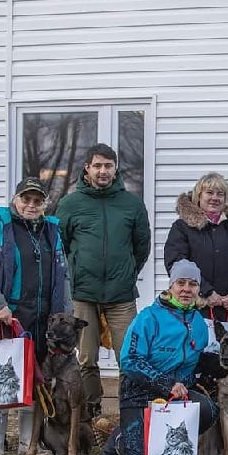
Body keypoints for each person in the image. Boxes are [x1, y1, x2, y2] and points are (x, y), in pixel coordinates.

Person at [0, 179, 72, 455]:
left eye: (38, 200)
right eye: (26, 199)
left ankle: (29, 444)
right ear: (15, 199)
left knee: (33, 383)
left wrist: (65, 315)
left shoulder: (52, 231)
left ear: (44, 204)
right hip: (5, 317)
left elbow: (63, 275)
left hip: (41, 321)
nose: (31, 205)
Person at [57, 143, 152, 420]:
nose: (102, 171)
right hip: (82, 293)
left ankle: (129, 414)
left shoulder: (132, 204)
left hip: (121, 294)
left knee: (129, 357)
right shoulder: (70, 203)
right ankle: (92, 413)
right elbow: (60, 246)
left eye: (108, 166)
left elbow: (141, 247)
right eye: (97, 165)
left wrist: (126, 273)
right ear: (87, 168)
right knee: (86, 357)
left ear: (115, 169)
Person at [101, 260, 221, 455]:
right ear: (171, 286)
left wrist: (225, 365)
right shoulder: (148, 317)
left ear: (199, 289)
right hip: (139, 392)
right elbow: (130, 360)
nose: (186, 289)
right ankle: (119, 437)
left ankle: (164, 439)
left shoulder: (200, 324)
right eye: (181, 283)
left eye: (192, 284)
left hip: (177, 394)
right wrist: (166, 383)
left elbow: (196, 361)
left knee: (209, 410)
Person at [164, 172, 228, 326]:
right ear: (199, 196)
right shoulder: (182, 228)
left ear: (226, 199)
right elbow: (176, 263)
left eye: (220, 194)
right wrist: (206, 292)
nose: (215, 198)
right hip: (193, 307)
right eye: (209, 193)